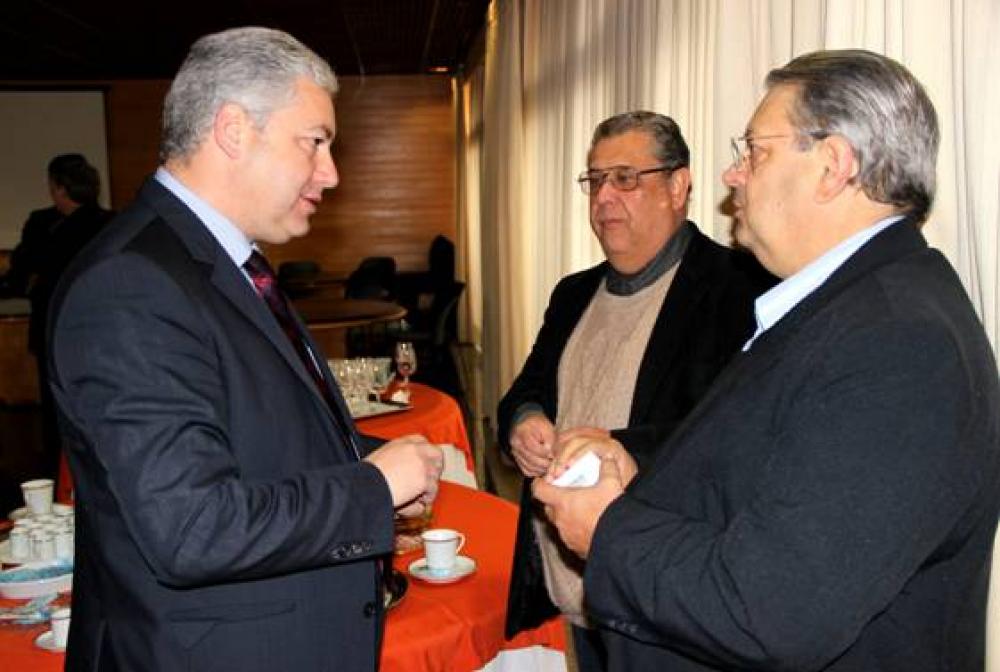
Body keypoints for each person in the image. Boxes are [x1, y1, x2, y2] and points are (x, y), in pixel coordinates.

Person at [533, 49, 1000, 671]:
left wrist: (608, 531)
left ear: (833, 166)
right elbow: (767, 459)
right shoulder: (848, 306)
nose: (733, 175)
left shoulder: (901, 342)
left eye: (754, 151)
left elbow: (774, 610)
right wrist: (635, 459)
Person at [46, 27, 443, 672]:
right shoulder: (130, 284)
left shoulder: (220, 264)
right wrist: (372, 488)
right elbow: (192, 526)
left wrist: (375, 462)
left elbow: (259, 437)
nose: (331, 173)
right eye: (315, 142)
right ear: (233, 130)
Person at [500, 111, 771, 669]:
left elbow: (733, 439)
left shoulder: (739, 291)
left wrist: (613, 446)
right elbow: (528, 388)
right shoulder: (573, 293)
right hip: (569, 590)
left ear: (678, 186)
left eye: (625, 178)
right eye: (596, 180)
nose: (604, 197)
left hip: (660, 600)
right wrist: (524, 419)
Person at [27, 154, 115, 481]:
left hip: (59, 333)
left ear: (60, 189)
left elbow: (29, 271)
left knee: (60, 409)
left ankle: (65, 478)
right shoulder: (112, 224)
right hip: (103, 331)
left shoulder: (46, 228)